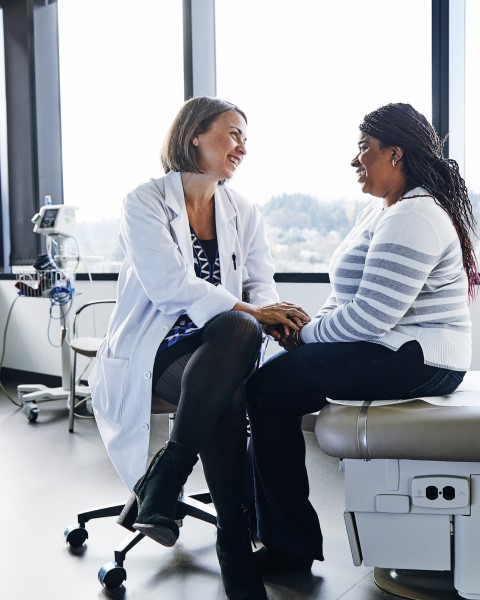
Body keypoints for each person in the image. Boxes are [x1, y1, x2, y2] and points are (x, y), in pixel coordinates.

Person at [245, 102, 480, 573]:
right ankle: (273, 533)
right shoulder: (380, 213)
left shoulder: (414, 216)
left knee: (267, 392)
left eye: (363, 150)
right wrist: (305, 330)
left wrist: (304, 337)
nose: (355, 161)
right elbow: (346, 300)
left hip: (418, 359)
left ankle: (287, 548)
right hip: (392, 348)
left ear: (395, 154)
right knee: (269, 386)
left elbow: (371, 317)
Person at [89, 96, 309, 600]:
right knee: (232, 357)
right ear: (194, 136)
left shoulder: (243, 209)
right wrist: (255, 313)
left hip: (219, 346)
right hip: (155, 348)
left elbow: (262, 281)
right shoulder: (144, 202)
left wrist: (271, 311)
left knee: (235, 336)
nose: (242, 148)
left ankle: (168, 477)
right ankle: (232, 538)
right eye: (233, 134)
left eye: (245, 139)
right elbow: (169, 286)